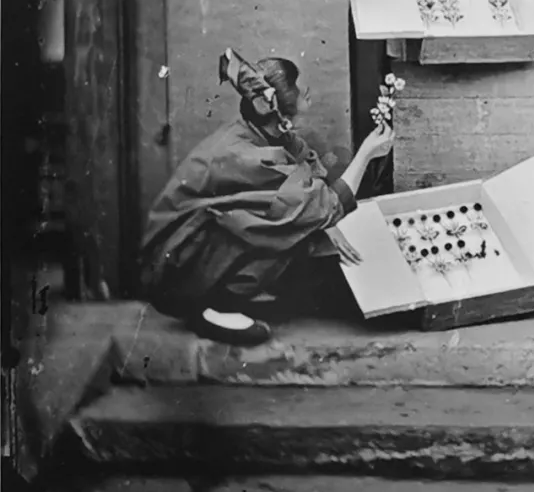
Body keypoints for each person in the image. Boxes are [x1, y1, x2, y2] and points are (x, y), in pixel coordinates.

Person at [141, 48, 394, 346]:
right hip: (176, 264)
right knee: (292, 220)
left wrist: (324, 219)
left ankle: (227, 292)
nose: (305, 91)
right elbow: (318, 201)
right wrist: (367, 153)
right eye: (298, 88)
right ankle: (215, 306)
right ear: (279, 109)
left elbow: (307, 170)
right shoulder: (247, 155)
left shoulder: (267, 132)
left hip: (197, 245)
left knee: (304, 216)